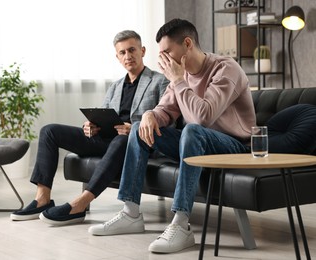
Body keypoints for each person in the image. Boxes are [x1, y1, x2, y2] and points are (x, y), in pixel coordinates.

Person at [88, 18, 256, 254]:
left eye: (167, 51)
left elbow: (202, 117)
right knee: (138, 127)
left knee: (192, 129)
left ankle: (181, 223)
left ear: (187, 44)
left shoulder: (225, 69)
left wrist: (177, 80)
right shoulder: (182, 74)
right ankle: (131, 212)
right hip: (196, 143)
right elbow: (165, 110)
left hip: (235, 147)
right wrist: (149, 115)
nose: (163, 59)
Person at [10, 30, 169, 225]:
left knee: (122, 139)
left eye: (132, 50)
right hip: (107, 140)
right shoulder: (115, 86)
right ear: (117, 57)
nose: (128, 56)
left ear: (142, 51)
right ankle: (42, 199)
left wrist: (134, 128)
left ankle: (80, 204)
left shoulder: (160, 81)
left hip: (136, 142)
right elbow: (103, 115)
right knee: (49, 131)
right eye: (122, 53)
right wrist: (92, 126)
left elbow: (166, 118)